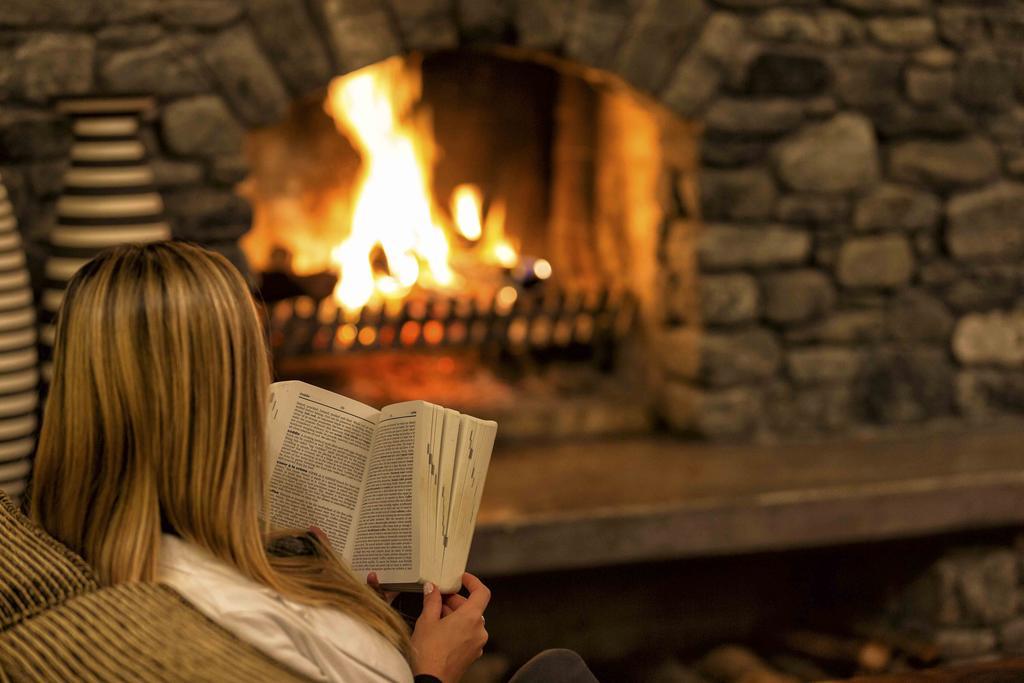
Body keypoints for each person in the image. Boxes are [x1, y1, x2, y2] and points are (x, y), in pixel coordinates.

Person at [29, 241, 488, 682]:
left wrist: (351, 601)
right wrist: (433, 670)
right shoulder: (224, 619)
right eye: (252, 371)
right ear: (219, 407)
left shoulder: (101, 548)